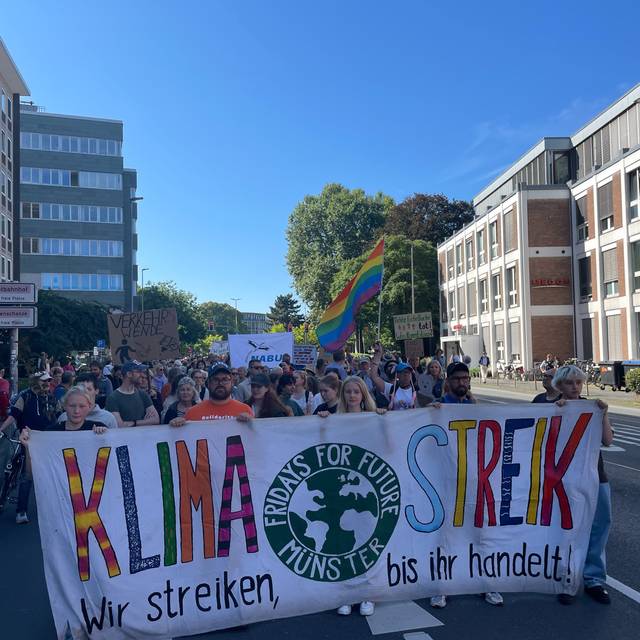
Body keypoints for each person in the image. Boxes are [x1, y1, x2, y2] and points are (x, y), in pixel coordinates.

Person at [429, 361, 502, 608]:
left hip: (475, 479)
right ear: (448, 381)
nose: (462, 382)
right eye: (457, 378)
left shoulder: (475, 407)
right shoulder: (439, 407)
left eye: (465, 378)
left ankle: (485, 583)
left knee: (480, 533)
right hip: (447, 480)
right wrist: (430, 413)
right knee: (445, 535)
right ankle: (441, 586)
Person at [552, 365, 613, 605]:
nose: (575, 387)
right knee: (568, 529)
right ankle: (566, 578)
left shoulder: (593, 408)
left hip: (596, 476)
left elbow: (607, 440)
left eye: (578, 382)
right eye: (569, 383)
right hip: (566, 479)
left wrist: (604, 414)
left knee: (599, 525)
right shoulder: (554, 408)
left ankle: (593, 579)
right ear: (560, 385)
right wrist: (556, 414)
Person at [328, 375, 385, 616]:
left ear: (363, 395)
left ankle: (367, 593)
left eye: (356, 391)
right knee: (342, 541)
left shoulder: (374, 418)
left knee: (366, 540)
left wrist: (384, 420)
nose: (352, 395)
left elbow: (387, 445)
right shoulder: (334, 419)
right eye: (348, 391)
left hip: (366, 490)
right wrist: (322, 421)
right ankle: (347, 593)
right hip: (341, 490)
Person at [0, 372, 57, 524]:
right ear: (35, 381)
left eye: (49, 381)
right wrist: (1, 429)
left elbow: (56, 417)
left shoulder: (50, 398)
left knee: (50, 474)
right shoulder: (25, 396)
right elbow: (14, 415)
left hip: (48, 440)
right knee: (27, 475)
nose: (47, 383)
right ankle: (21, 511)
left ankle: (52, 508)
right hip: (29, 439)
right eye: (44, 381)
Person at [20, 386, 108, 447]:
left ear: (89, 407)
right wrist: (29, 446)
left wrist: (105, 436)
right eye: (72, 406)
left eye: (82, 406)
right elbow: (35, 467)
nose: (76, 411)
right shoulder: (51, 432)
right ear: (64, 406)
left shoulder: (98, 428)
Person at [170, 364, 253, 425]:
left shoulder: (245, 411)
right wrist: (175, 427)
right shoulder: (191, 414)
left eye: (225, 379)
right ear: (208, 383)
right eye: (215, 379)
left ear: (232, 383)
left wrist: (251, 423)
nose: (220, 383)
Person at [105, 361, 160, 427]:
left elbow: (156, 419)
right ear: (129, 374)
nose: (142, 375)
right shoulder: (113, 398)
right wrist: (145, 421)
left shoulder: (143, 394)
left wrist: (134, 423)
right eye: (138, 372)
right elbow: (119, 425)